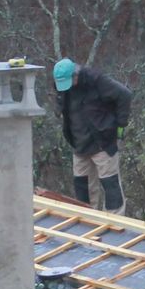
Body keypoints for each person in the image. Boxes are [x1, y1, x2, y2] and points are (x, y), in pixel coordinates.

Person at [52, 57, 132, 212]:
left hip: (102, 143)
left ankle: (115, 227)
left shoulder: (96, 81)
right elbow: (62, 106)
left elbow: (125, 95)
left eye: (69, 82)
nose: (66, 88)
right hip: (79, 145)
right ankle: (87, 225)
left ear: (76, 75)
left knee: (111, 189)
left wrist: (121, 125)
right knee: (83, 191)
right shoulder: (62, 88)